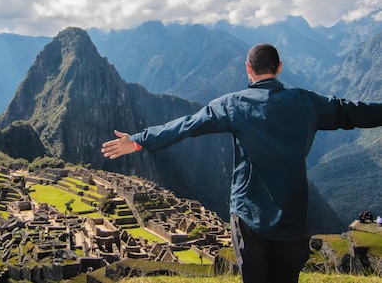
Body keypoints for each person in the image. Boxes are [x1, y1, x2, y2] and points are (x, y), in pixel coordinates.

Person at [101, 43, 382, 283]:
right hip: (293, 215)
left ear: (248, 68)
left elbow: (186, 126)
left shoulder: (232, 105)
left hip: (249, 215)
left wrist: (138, 140)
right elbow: (352, 111)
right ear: (280, 67)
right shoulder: (306, 102)